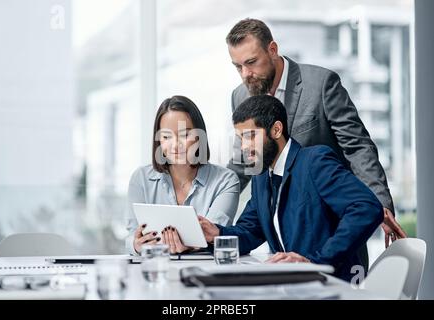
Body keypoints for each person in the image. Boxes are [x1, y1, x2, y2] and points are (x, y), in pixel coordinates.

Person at [225, 18, 405, 248]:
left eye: (251, 62)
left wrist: (378, 202)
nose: (245, 74)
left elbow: (357, 146)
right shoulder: (240, 96)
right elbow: (243, 164)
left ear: (272, 50)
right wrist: (208, 202)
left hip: (331, 227)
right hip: (281, 233)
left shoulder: (321, 84)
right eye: (238, 66)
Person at [200, 95, 383, 281]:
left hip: (334, 283)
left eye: (250, 136)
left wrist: (317, 262)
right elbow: (250, 230)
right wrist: (217, 233)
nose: (244, 147)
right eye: (241, 139)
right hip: (297, 284)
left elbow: (367, 207)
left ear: (276, 130)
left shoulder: (315, 161)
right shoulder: (261, 178)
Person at [126, 95, 240, 254]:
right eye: (166, 137)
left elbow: (212, 233)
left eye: (185, 135)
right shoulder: (141, 179)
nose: (175, 145)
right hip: (157, 266)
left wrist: (192, 244)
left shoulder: (225, 181)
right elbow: (131, 235)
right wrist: (137, 245)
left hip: (207, 270)